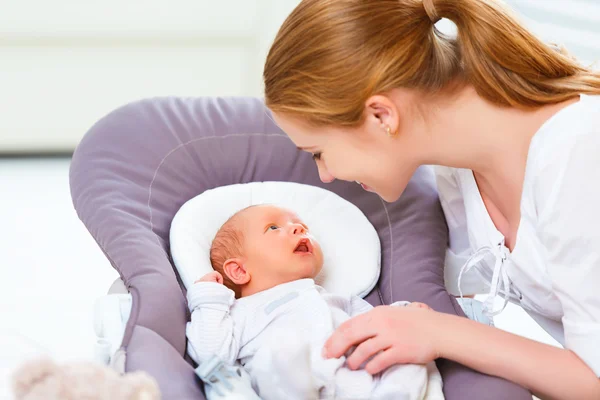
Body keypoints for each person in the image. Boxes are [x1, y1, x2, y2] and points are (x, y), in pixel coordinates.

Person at [262, 0, 600, 399]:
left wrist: (440, 333)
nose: (325, 174)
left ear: (382, 116)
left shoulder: (576, 155)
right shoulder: (457, 166)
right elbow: (461, 293)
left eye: (318, 151)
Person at [186, 204, 444, 399]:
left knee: (411, 355)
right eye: (274, 228)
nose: (299, 228)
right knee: (275, 358)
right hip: (286, 382)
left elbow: (379, 325)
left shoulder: (338, 299)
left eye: (301, 226)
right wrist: (209, 298)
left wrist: (405, 314)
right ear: (240, 271)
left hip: (355, 380)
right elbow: (211, 355)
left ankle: (397, 393)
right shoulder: (239, 312)